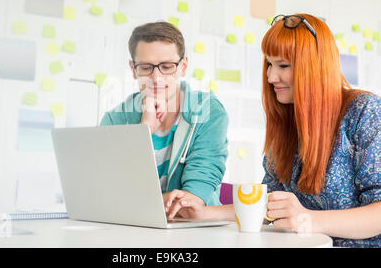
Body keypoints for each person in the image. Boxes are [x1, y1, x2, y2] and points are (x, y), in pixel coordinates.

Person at [164, 14, 381, 248]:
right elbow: (268, 207)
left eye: (283, 65)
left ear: (315, 67)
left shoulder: (364, 111)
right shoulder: (288, 120)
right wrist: (202, 213)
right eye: (269, 63)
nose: (270, 76)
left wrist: (306, 218)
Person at [100, 21, 229, 207]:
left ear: (183, 66)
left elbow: (192, 201)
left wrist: (139, 203)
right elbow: (108, 192)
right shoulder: (115, 119)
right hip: (133, 228)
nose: (156, 78)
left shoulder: (208, 111)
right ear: (133, 69)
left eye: (167, 67)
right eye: (146, 67)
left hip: (195, 230)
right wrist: (144, 131)